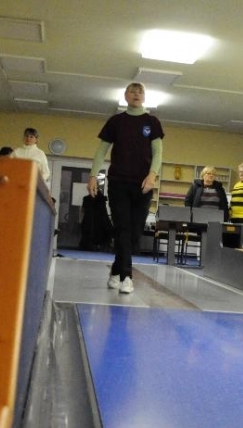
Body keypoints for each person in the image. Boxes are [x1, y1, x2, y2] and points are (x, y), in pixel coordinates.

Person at [87, 82, 164, 294]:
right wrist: (93, 176)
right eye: (132, 91)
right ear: (126, 96)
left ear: (144, 97)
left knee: (135, 232)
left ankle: (115, 270)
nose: (136, 94)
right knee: (122, 228)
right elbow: (101, 151)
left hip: (143, 185)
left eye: (140, 92)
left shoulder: (152, 122)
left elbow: (158, 152)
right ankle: (126, 276)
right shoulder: (116, 121)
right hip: (118, 183)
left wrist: (152, 175)